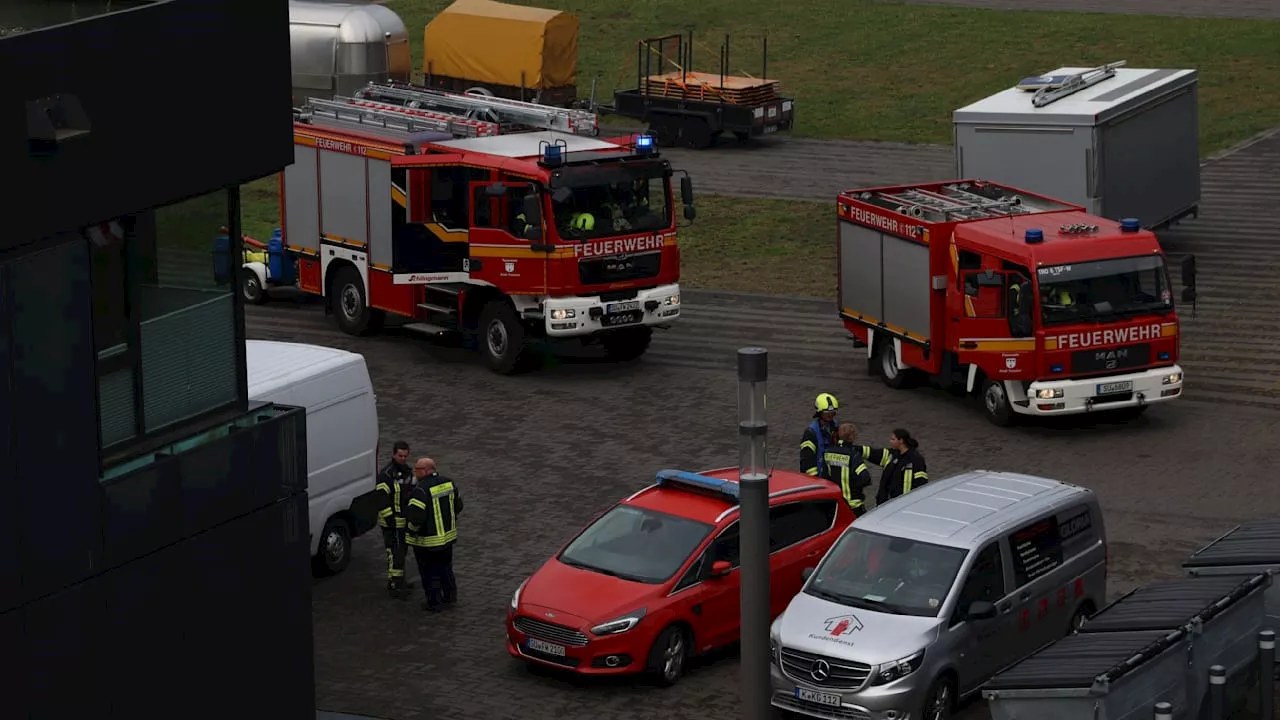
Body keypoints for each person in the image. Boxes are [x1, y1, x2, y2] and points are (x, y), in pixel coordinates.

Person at [405, 457, 463, 612]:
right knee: (445, 569)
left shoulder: (420, 490)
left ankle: (434, 602)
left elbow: (417, 519)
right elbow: (458, 506)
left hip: (427, 543)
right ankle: (450, 596)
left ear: (425, 471)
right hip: (447, 538)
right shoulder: (448, 483)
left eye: (417, 470)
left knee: (429, 574)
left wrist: (409, 530)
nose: (415, 473)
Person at [374, 441, 415, 599]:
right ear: (393, 454)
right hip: (392, 523)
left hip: (404, 522)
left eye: (405, 456)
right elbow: (381, 499)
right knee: (394, 553)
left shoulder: (408, 473)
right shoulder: (386, 475)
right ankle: (394, 585)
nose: (403, 458)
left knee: (402, 552)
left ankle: (400, 581)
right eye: (400, 455)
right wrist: (390, 519)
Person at [862, 428, 928, 506]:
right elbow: (874, 453)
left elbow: (921, 484)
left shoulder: (916, 459)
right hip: (884, 502)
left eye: (893, 439)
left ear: (901, 441)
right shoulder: (893, 455)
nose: (890, 441)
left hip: (903, 504)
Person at [820, 423, 873, 517]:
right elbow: (865, 478)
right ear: (851, 437)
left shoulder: (828, 452)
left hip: (836, 504)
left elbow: (824, 478)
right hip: (854, 506)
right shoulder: (853, 455)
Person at [800, 393, 841, 477]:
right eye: (827, 412)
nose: (830, 414)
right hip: (818, 477)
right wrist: (815, 479)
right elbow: (807, 459)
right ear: (819, 412)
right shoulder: (811, 433)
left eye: (832, 412)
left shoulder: (835, 426)